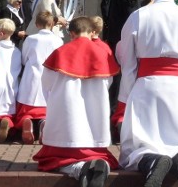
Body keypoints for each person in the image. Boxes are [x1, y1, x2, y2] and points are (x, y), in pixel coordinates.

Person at [116, 0, 178, 187]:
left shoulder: (139, 16)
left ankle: (152, 160)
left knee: (141, 140)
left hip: (147, 85)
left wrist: (127, 93)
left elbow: (127, 59)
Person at [33, 17, 120, 187]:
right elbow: (108, 82)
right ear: (92, 31)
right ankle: (95, 166)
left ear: (71, 33)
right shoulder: (102, 53)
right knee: (96, 151)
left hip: (66, 113)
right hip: (95, 111)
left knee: (55, 160)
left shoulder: (60, 52)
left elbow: (47, 83)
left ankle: (79, 168)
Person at [16, 11, 63, 144]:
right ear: (53, 23)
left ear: (37, 24)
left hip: (32, 73)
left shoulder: (31, 39)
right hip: (50, 74)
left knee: (27, 102)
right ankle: (44, 122)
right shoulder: (58, 40)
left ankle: (26, 119)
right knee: (47, 102)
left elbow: (24, 58)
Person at [0, 18, 21, 144]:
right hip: (11, 86)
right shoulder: (16, 51)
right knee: (8, 111)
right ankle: (6, 121)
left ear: (1, 33)